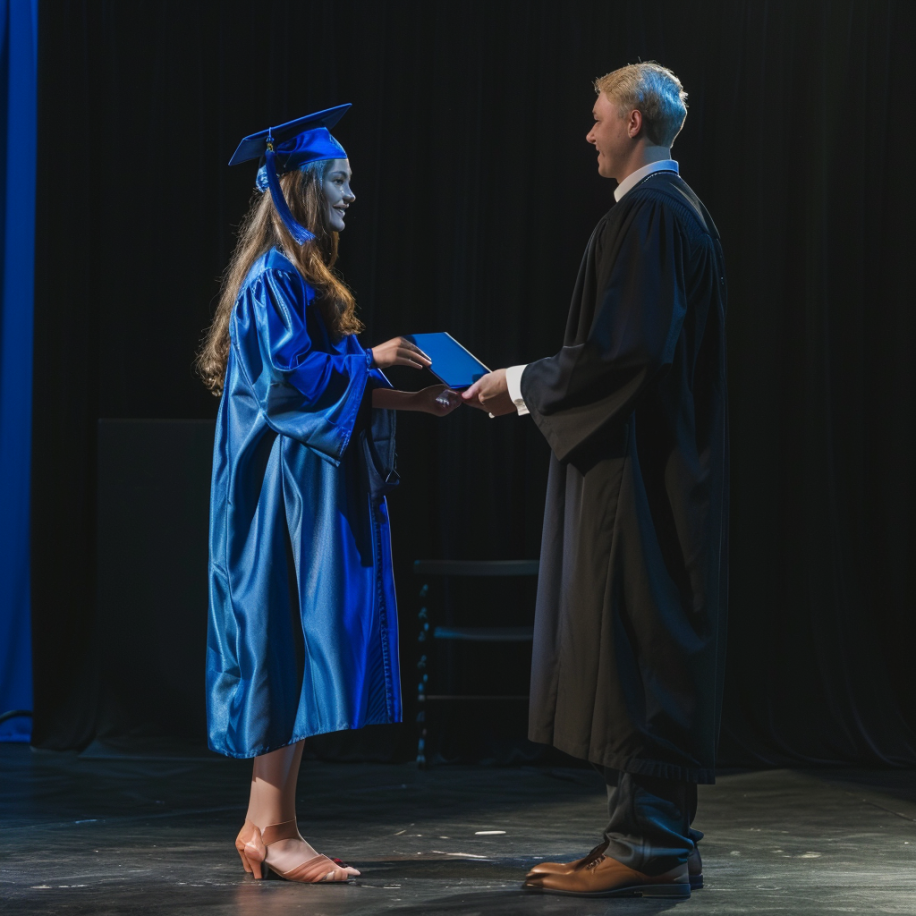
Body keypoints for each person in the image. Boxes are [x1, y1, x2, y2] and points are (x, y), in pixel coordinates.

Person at [463, 63, 729, 898]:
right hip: (657, 461)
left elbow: (626, 351)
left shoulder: (652, 217)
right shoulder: (676, 213)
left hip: (639, 477)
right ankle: (650, 833)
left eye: (599, 118)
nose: (588, 133)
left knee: (636, 641)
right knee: (644, 639)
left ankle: (644, 842)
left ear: (635, 123)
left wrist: (517, 383)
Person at [197, 105, 460, 885]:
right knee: (282, 644)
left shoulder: (292, 275)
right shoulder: (271, 281)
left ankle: (265, 826)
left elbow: (321, 384)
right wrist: (372, 356)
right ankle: (272, 830)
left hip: (295, 493)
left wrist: (412, 400)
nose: (351, 196)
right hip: (273, 502)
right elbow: (291, 385)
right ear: (301, 187)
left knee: (297, 646)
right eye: (340, 182)